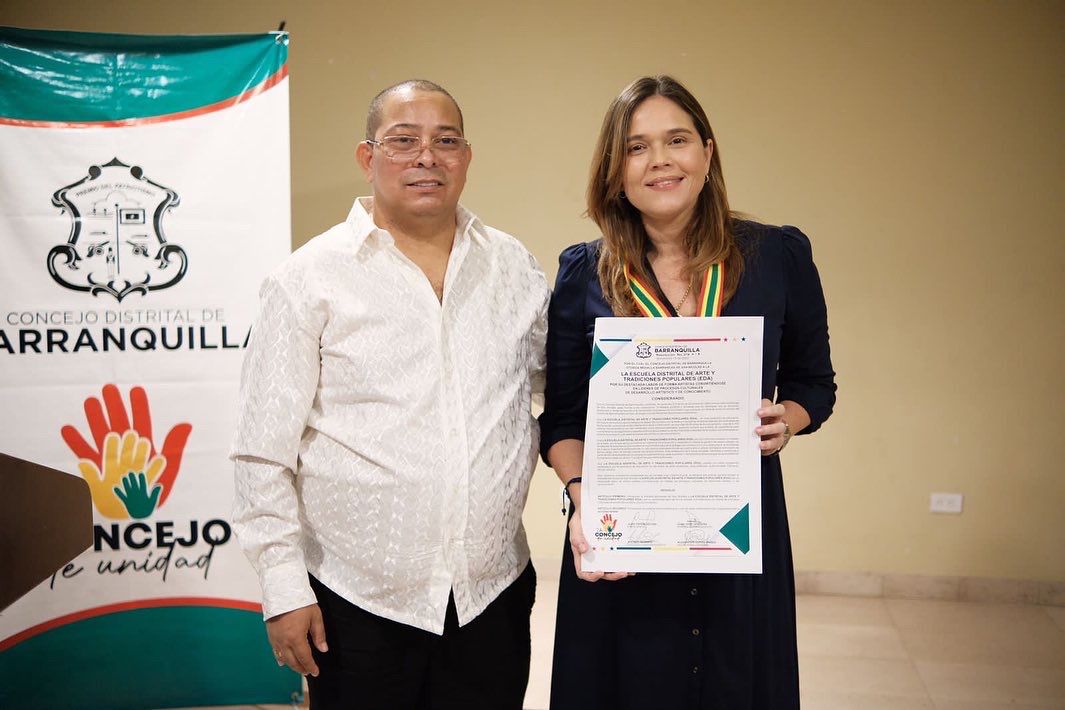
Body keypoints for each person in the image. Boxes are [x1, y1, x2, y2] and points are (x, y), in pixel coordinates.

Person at [231, 79, 548, 709]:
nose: (426, 156)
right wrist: (283, 587)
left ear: (466, 157)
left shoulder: (511, 265)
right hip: (357, 605)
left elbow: (553, 386)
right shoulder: (308, 279)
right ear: (367, 157)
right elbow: (261, 453)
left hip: (491, 596)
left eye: (445, 140)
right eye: (403, 141)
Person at [539, 75, 836, 710]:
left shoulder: (777, 257)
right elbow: (562, 419)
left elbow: (816, 384)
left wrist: (788, 418)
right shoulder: (582, 274)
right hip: (619, 532)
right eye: (637, 146)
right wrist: (583, 499)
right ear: (615, 169)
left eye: (676, 140)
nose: (660, 160)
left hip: (734, 525)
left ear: (707, 150)